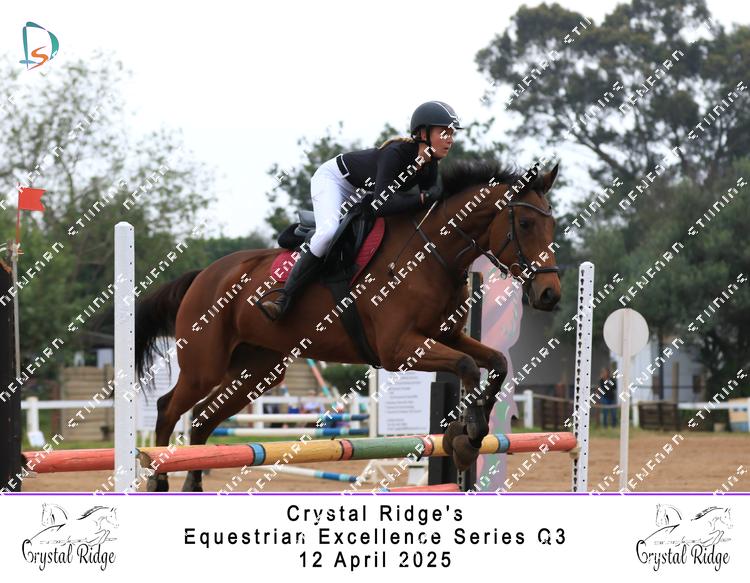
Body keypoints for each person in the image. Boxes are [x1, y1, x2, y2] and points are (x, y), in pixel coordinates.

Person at [259, 101, 461, 321]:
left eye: (452, 134)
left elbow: (425, 211)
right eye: (444, 132)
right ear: (422, 133)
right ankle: (283, 300)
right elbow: (381, 204)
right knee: (327, 233)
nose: (450, 139)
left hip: (362, 192)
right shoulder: (395, 154)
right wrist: (422, 198)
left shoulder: (430, 166)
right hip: (334, 181)